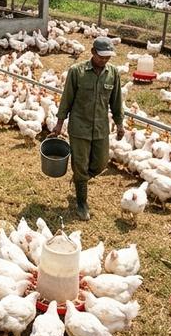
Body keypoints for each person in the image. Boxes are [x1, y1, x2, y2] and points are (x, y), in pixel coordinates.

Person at [52, 36, 124, 220]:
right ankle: (82, 202)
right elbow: (66, 99)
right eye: (101, 56)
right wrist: (59, 124)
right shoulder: (77, 71)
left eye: (108, 57)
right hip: (79, 127)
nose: (104, 60)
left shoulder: (113, 73)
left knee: (101, 163)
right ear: (93, 52)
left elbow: (116, 101)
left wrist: (119, 123)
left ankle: (79, 179)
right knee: (81, 165)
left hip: (101, 127)